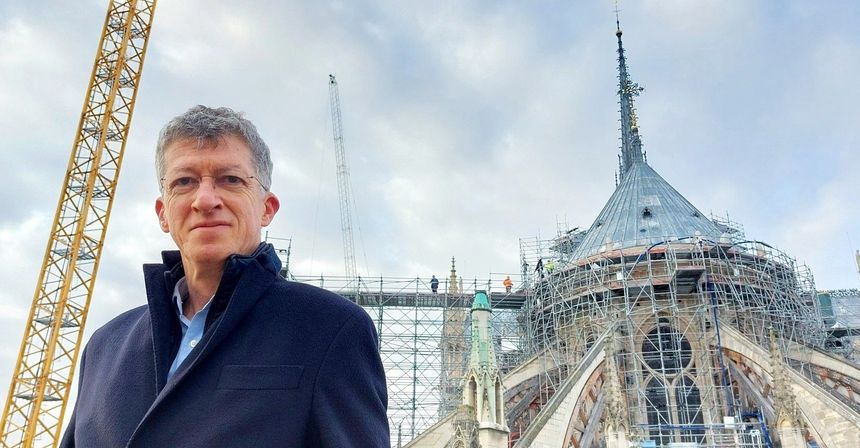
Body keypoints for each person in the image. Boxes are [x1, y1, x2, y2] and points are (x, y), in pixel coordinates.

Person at [60, 106, 389, 447]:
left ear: (267, 207)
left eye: (230, 179)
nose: (204, 199)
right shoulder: (104, 347)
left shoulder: (329, 329)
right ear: (163, 214)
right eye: (184, 182)